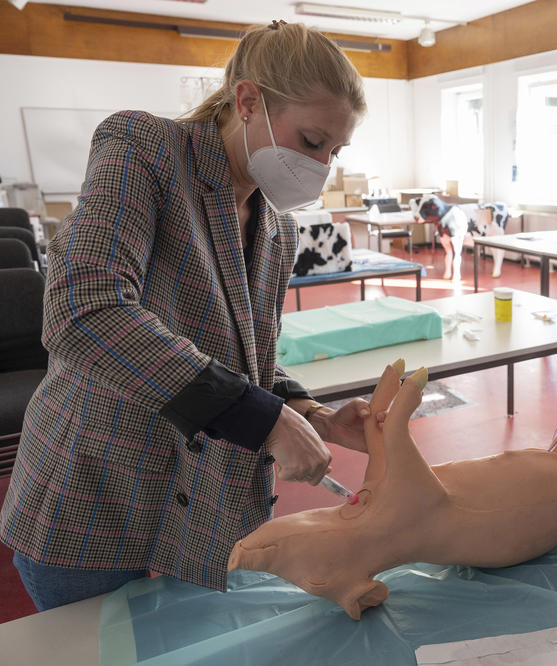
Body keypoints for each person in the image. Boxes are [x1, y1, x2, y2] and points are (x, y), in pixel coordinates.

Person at [1, 21, 372, 611]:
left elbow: (249, 363)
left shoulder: (275, 228)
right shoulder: (144, 148)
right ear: (248, 101)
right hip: (97, 497)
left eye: (335, 150)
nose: (322, 164)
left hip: (207, 514)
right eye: (310, 140)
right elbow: (83, 309)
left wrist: (310, 413)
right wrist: (263, 420)